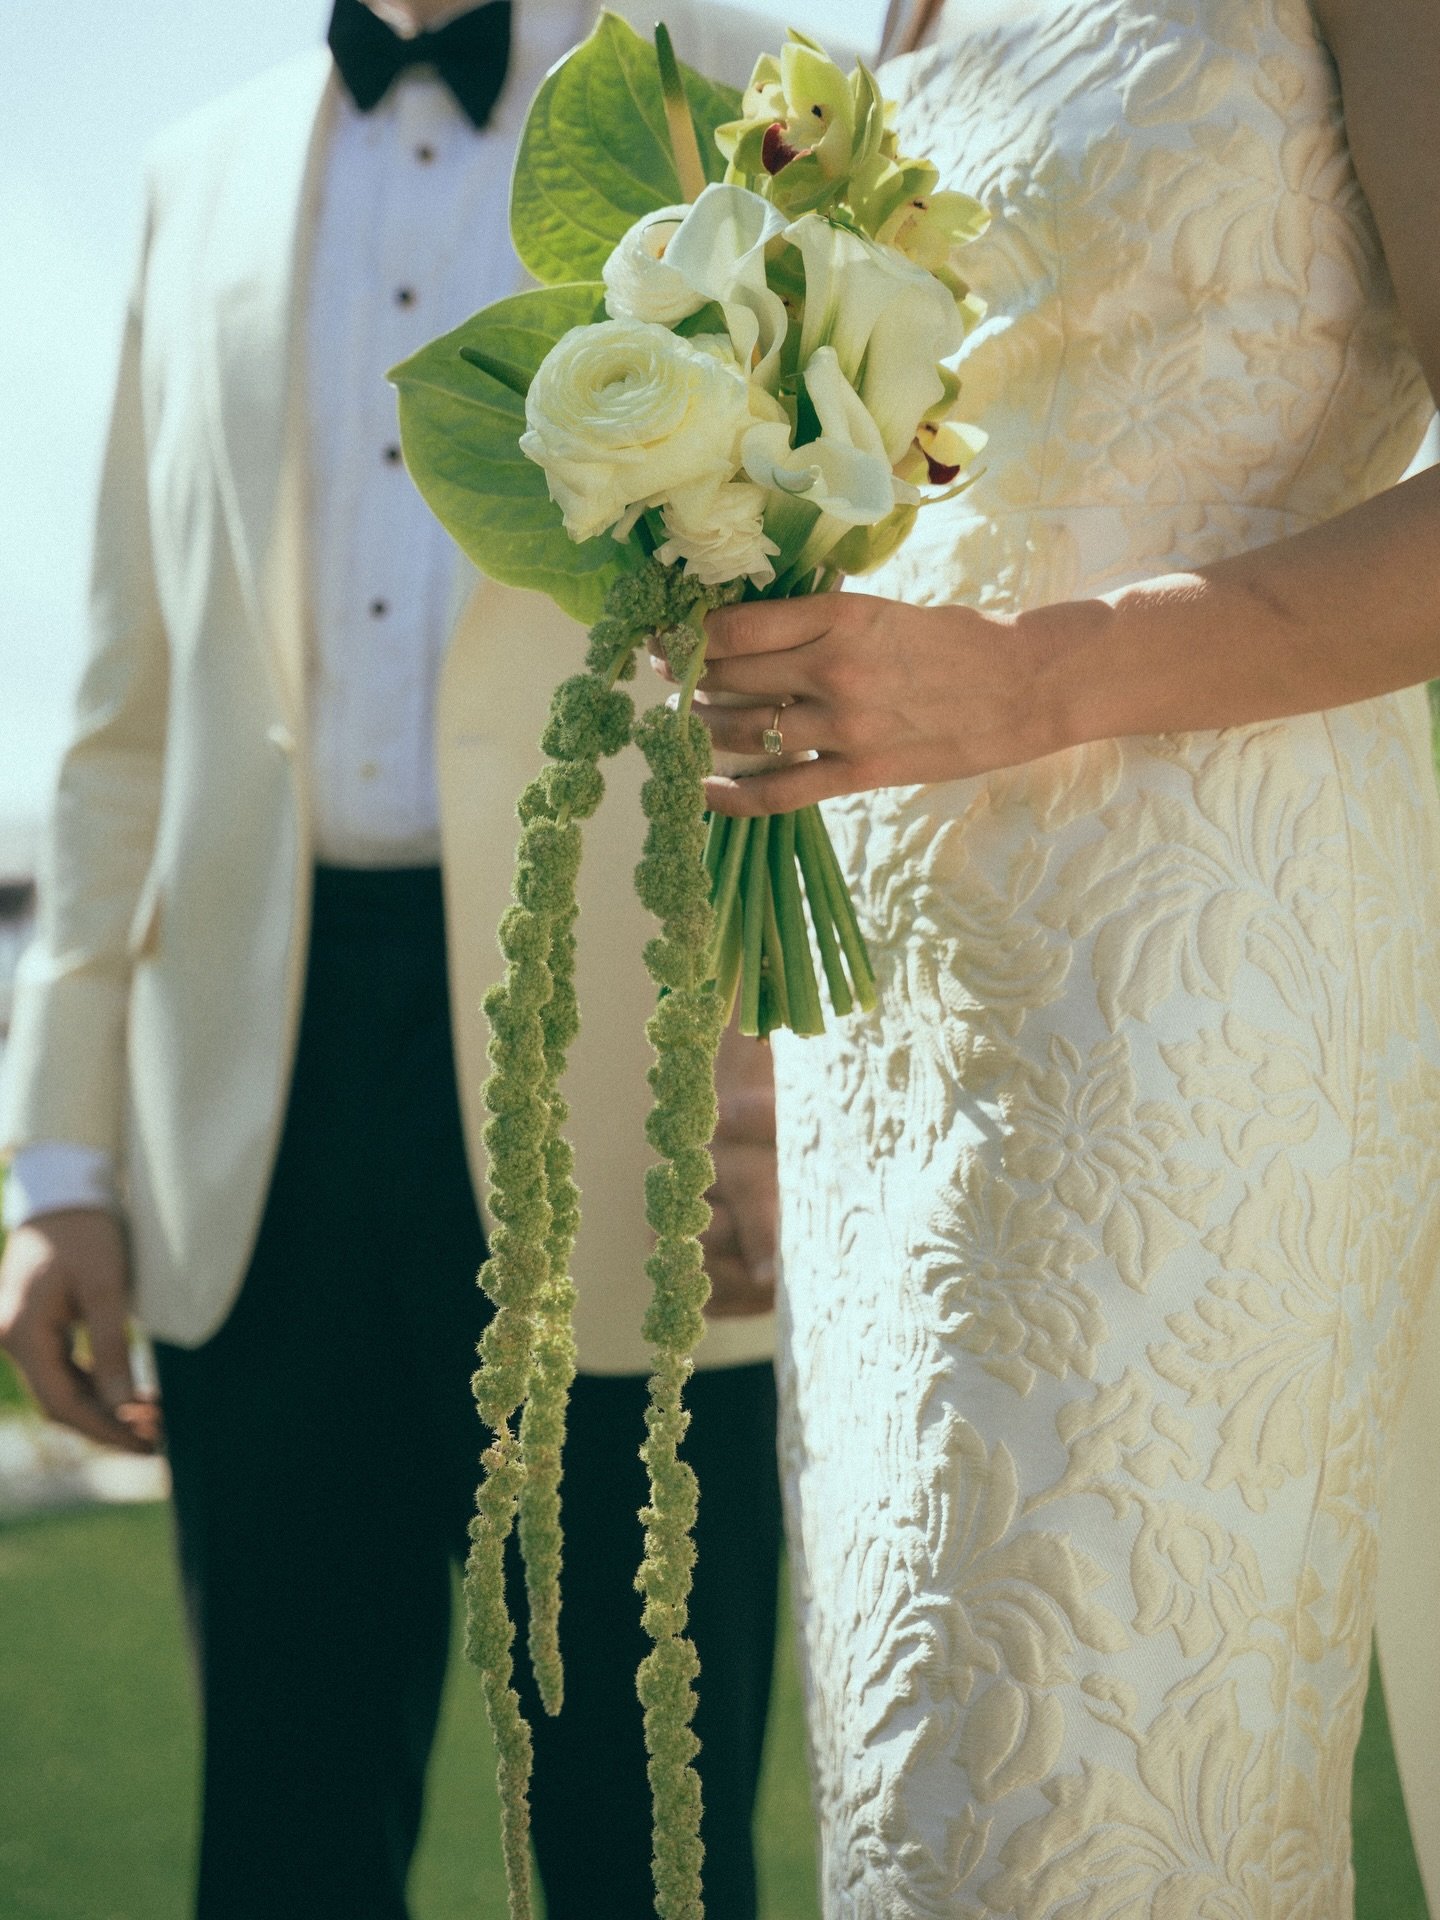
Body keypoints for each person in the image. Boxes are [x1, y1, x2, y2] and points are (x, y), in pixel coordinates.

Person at [0, 3, 830, 1916]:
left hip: (644, 1106)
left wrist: (771, 1071)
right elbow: (126, 703)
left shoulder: (734, 107)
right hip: (250, 1129)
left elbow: (839, 612)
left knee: (648, 1847)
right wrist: (59, 1163)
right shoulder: (188, 175)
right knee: (285, 1848)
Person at [674, 0, 1440, 1910]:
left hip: (1194, 972)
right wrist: (756, 1062)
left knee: (1078, 1797)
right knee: (918, 1790)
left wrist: (1036, 671)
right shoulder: (891, 15)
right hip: (896, 1018)